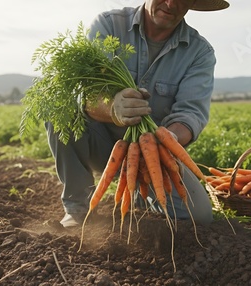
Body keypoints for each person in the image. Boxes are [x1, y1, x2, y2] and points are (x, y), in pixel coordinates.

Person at [46, 0, 229, 227]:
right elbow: (84, 94)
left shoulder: (198, 52)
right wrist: (112, 108)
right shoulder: (109, 26)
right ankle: (77, 210)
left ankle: (140, 194)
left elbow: (191, 114)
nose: (171, 3)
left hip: (152, 155)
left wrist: (167, 139)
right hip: (100, 143)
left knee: (198, 215)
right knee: (59, 110)